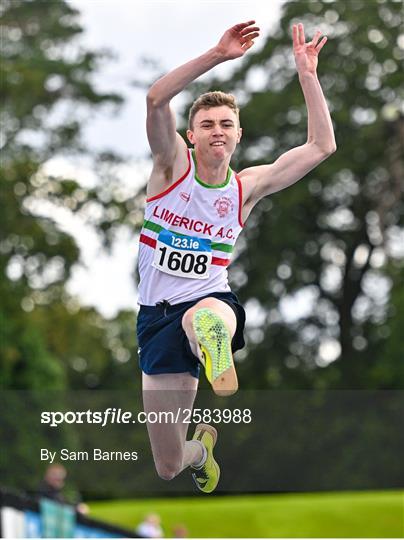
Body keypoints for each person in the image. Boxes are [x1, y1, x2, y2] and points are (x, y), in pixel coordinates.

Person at [137, 21, 336, 493]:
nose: (217, 131)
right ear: (191, 135)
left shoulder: (244, 188)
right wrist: (218, 55)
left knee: (205, 315)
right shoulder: (171, 167)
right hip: (154, 319)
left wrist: (307, 73)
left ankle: (211, 339)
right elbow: (155, 100)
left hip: (209, 300)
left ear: (239, 134)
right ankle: (201, 450)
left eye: (226, 124)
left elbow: (321, 146)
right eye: (207, 124)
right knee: (168, 463)